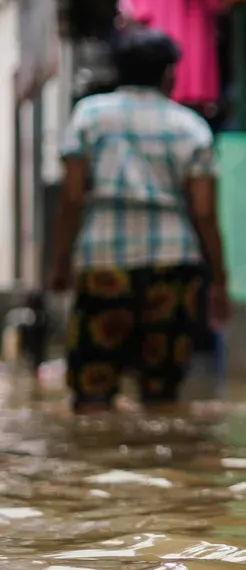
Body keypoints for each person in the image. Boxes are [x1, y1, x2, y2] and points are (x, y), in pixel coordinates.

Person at [47, 28, 230, 413]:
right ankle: (163, 471)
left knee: (92, 386)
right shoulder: (189, 126)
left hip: (102, 259)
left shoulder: (88, 116)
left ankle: (89, 469)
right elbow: (204, 211)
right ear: (169, 73)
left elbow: (72, 197)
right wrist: (219, 279)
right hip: (172, 261)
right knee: (162, 388)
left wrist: (60, 261)